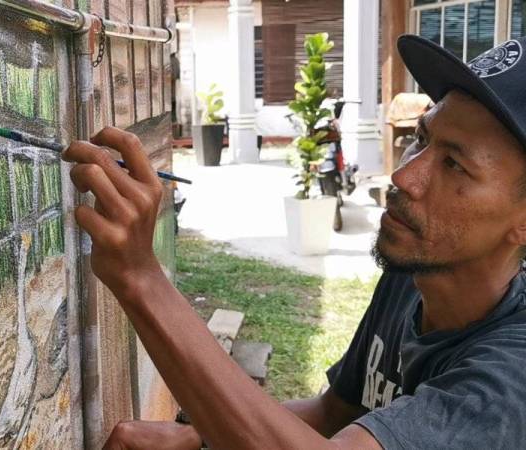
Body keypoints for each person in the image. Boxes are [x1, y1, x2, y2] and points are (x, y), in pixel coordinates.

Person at [62, 34, 526, 449]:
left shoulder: (510, 381)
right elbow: (336, 413)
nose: (405, 176)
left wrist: (140, 277)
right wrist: (197, 436)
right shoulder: (417, 273)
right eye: (421, 139)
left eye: (455, 165)